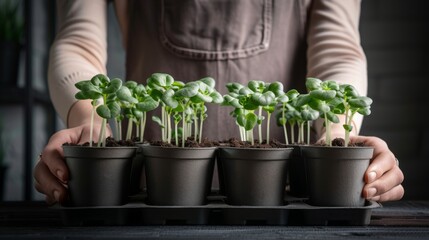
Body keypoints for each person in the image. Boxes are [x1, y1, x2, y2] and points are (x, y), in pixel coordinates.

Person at [34, 0, 404, 205]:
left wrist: (337, 131)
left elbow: (338, 49)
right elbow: (77, 40)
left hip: (288, 192)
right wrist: (90, 121)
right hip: (152, 191)